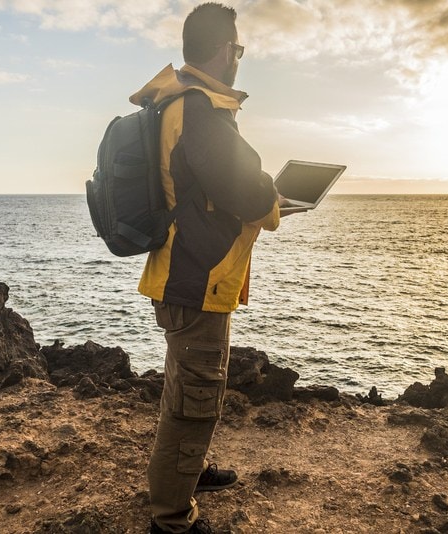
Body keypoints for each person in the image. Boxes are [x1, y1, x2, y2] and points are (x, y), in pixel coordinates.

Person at [130, 3, 294, 533]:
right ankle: (171, 518)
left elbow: (218, 185)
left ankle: (189, 473)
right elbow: (242, 186)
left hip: (188, 274)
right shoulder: (200, 109)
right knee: (194, 400)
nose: (239, 60)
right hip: (195, 278)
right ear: (226, 51)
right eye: (239, 50)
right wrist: (273, 202)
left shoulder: (182, 104)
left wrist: (265, 196)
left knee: (188, 386)